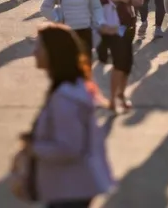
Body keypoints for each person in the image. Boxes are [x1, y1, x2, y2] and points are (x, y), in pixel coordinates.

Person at [23, 24, 115, 207]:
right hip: (71, 186)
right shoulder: (71, 89)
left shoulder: (65, 98)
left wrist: (33, 148)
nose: (34, 52)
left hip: (69, 190)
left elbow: (69, 147)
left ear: (53, 53)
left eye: (39, 47)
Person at [97, 0, 143, 113]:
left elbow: (140, 0)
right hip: (110, 24)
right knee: (118, 61)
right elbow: (97, 0)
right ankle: (113, 99)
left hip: (128, 23)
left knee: (127, 62)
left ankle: (121, 94)